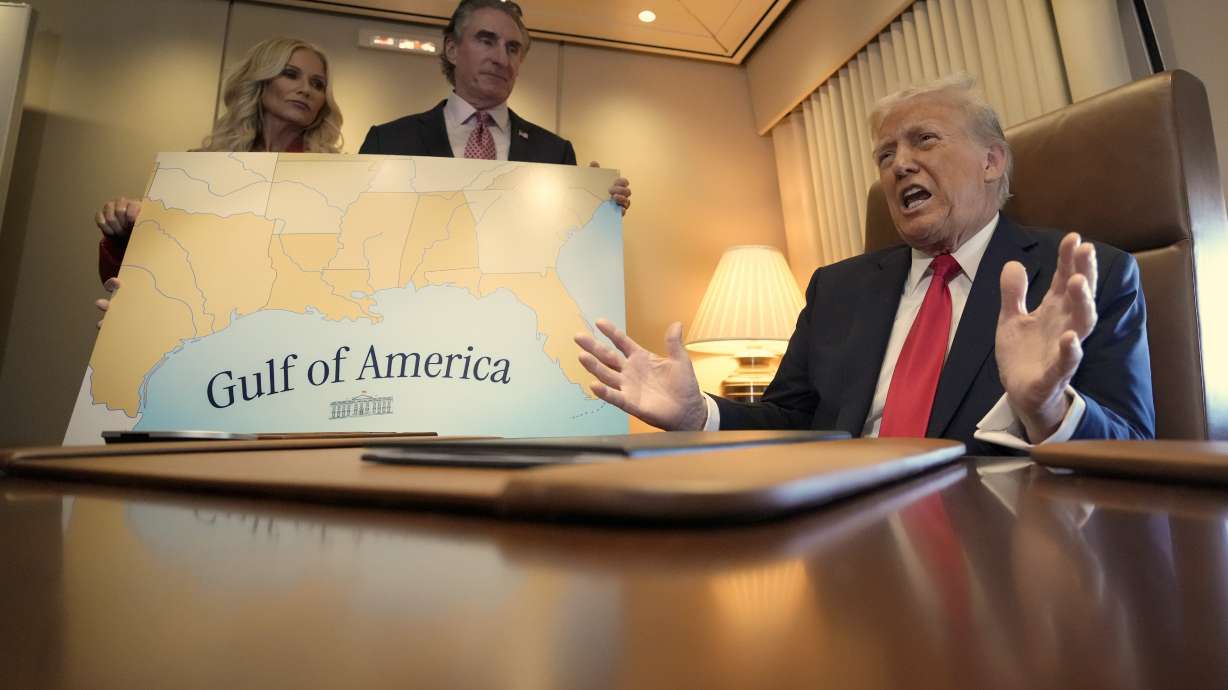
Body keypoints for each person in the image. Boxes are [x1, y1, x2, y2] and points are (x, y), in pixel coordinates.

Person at [574, 75, 1154, 455]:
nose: (899, 165)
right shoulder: (837, 288)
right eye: (885, 154)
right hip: (841, 546)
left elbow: (1134, 449)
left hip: (997, 552)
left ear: (991, 161)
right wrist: (700, 414)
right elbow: (794, 422)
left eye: (924, 140)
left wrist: (1049, 409)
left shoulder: (1081, 277)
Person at [94, 36, 344, 318]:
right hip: (206, 328)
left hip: (295, 332)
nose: (306, 90)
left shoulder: (337, 180)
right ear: (260, 81)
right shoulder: (198, 169)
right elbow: (142, 273)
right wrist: (122, 232)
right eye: (290, 74)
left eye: (317, 84)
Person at [358, 0, 631, 212]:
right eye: (486, 41)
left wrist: (595, 210)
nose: (502, 58)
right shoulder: (388, 142)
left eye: (513, 48)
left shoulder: (555, 154)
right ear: (452, 50)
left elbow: (567, 245)